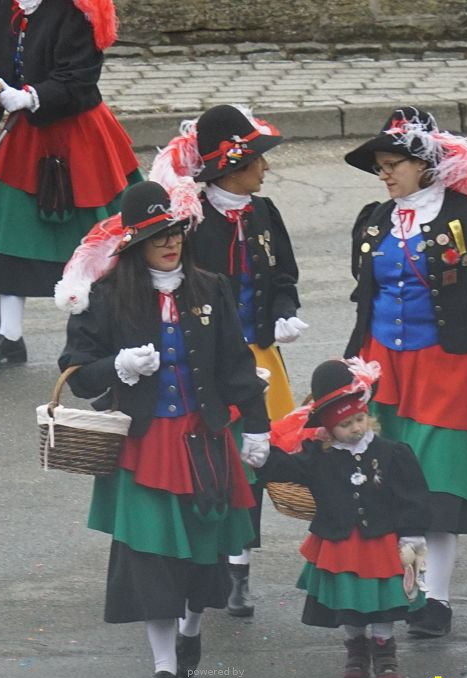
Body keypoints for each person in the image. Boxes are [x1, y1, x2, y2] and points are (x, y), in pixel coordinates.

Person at [58, 181, 270, 678]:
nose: (171, 244)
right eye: (158, 238)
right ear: (135, 247)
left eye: (174, 233)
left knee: (203, 552)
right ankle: (162, 664)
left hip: (204, 439)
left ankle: (191, 629)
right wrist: (118, 367)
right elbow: (78, 374)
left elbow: (234, 364)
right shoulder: (107, 296)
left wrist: (259, 426)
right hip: (144, 442)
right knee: (149, 556)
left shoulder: (211, 286)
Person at [342, 107, 467, 638]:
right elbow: (366, 296)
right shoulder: (371, 219)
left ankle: (434, 600)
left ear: (425, 164)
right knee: (389, 488)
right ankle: (399, 588)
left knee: (435, 493)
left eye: (394, 164)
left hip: (451, 369)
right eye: (380, 166)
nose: (384, 174)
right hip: (382, 369)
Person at [149, 103, 306, 617]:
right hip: (206, 361)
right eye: (258, 159)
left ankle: (239, 566)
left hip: (260, 354)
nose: (266, 167)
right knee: (211, 455)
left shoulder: (265, 213)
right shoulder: (190, 221)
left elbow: (283, 275)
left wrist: (283, 311)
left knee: (254, 459)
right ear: (231, 167)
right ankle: (207, 559)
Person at [0, 0, 141, 364]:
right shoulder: (4, 9)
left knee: (100, 240)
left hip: (78, 135)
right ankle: (8, 335)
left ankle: (103, 334)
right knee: (10, 237)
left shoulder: (74, 12)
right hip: (24, 139)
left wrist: (32, 96)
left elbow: (80, 78)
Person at [258, 357, 431, 678]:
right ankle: (355, 650)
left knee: (383, 599)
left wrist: (412, 534)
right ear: (328, 428)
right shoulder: (317, 456)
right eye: (345, 424)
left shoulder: (392, 453)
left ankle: (385, 651)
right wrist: (260, 451)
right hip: (340, 542)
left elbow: (413, 495)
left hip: (381, 540)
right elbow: (284, 469)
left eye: (360, 418)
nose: (355, 427)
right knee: (350, 601)